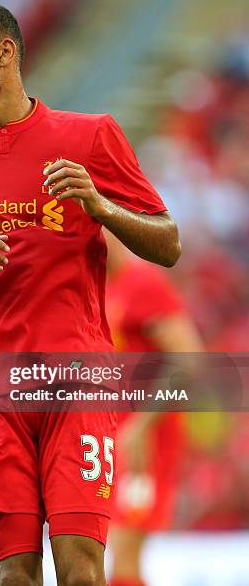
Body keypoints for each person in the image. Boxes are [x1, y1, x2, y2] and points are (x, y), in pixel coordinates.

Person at [0, 0, 181, 586]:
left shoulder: (89, 136)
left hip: (78, 380)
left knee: (81, 567)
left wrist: (100, 208)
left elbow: (168, 243)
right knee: (12, 575)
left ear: (5, 51)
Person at [104, 231, 203, 586]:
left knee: (126, 543)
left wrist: (143, 425)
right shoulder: (105, 290)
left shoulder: (143, 283)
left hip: (147, 441)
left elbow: (190, 359)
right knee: (117, 547)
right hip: (120, 438)